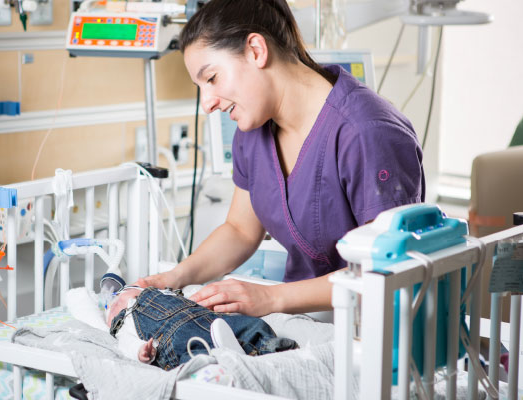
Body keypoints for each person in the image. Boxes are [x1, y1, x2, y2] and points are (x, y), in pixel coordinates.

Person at [135, 0, 424, 316]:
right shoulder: (253, 130)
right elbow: (240, 230)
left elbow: (386, 268)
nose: (207, 104)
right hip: (310, 324)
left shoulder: (367, 132)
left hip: (379, 331)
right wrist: (172, 278)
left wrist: (271, 298)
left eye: (212, 78)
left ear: (256, 51)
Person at [107, 286, 298, 370]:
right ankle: (232, 359)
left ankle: (269, 347)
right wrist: (142, 351)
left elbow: (192, 297)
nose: (115, 302)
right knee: (193, 359)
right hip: (176, 339)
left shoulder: (164, 293)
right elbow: (126, 343)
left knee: (251, 324)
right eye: (112, 308)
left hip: (212, 322)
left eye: (118, 297)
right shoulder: (125, 323)